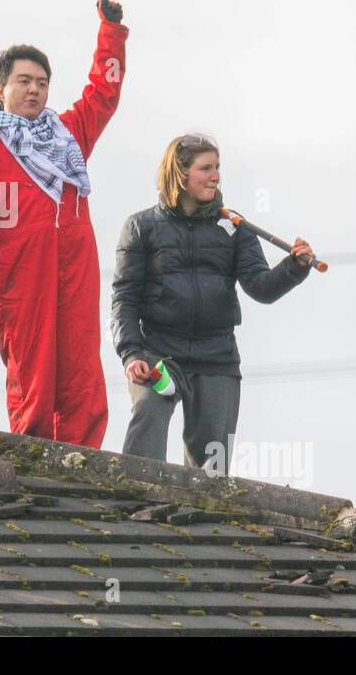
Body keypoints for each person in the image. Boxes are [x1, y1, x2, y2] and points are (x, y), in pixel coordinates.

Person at [0, 0, 128, 448]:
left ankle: (82, 457)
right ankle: (31, 454)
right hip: (21, 273)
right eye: (24, 81)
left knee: (81, 363)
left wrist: (110, 32)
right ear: (0, 90)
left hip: (76, 264)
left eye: (42, 83)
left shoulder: (69, 135)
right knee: (31, 366)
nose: (34, 90)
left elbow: (103, 94)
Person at [112, 133, 315, 469]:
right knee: (148, 412)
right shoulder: (140, 226)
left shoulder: (234, 226)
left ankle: (200, 519)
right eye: (206, 168)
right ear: (180, 173)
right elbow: (125, 297)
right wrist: (131, 353)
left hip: (217, 358)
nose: (216, 175)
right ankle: (133, 501)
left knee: (211, 471)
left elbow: (261, 288)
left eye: (217, 167)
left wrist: (294, 267)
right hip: (158, 353)